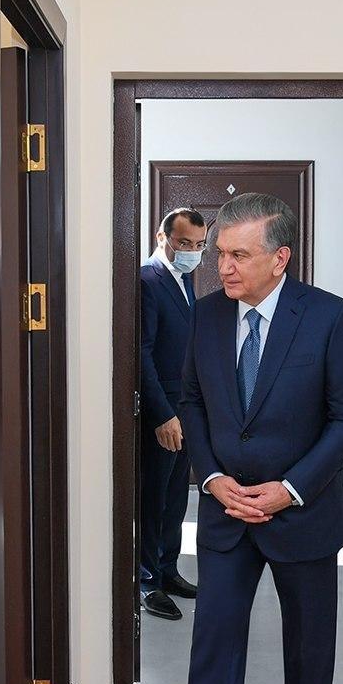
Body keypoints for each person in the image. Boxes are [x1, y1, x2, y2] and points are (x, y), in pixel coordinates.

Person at [128, 193, 343, 684]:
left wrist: (291, 488)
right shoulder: (207, 315)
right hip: (225, 512)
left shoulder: (329, 316)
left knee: (308, 636)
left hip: (302, 510)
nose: (223, 267)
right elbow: (192, 400)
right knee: (213, 640)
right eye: (220, 255)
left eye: (239, 255)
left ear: (280, 257)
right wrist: (209, 477)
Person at [138, 207, 208, 621]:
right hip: (161, 414)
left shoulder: (183, 281)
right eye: (184, 243)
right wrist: (162, 415)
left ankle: (167, 569)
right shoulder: (148, 280)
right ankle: (147, 580)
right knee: (153, 498)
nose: (192, 252)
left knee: (176, 497)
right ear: (162, 237)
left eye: (199, 245)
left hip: (185, 410)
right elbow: (142, 353)